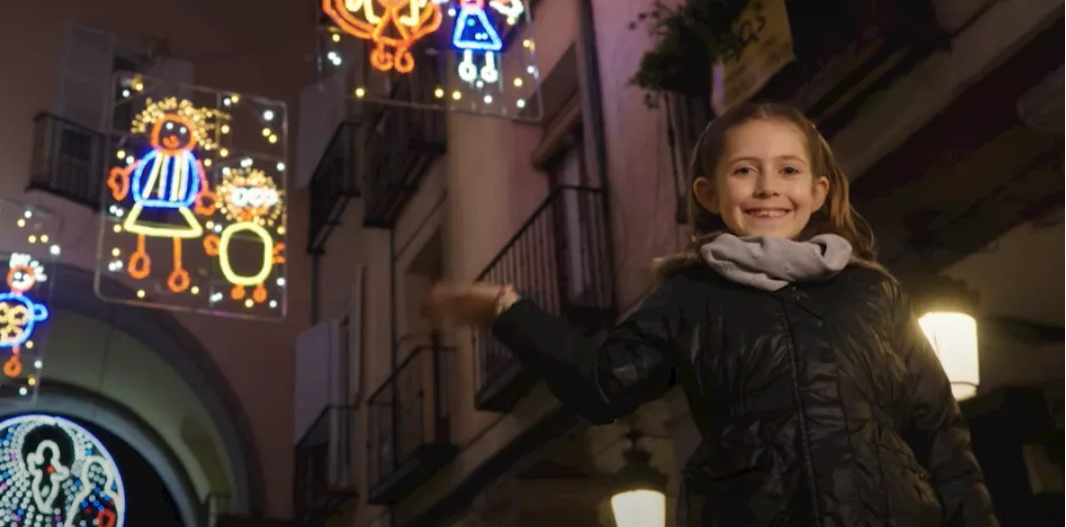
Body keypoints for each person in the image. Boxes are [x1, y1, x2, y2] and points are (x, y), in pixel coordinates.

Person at [428, 102, 998, 526]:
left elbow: (940, 433)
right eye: (745, 170)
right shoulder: (689, 296)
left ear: (820, 190)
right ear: (708, 192)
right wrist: (507, 309)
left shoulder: (872, 292)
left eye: (789, 171)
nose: (768, 187)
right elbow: (602, 381)